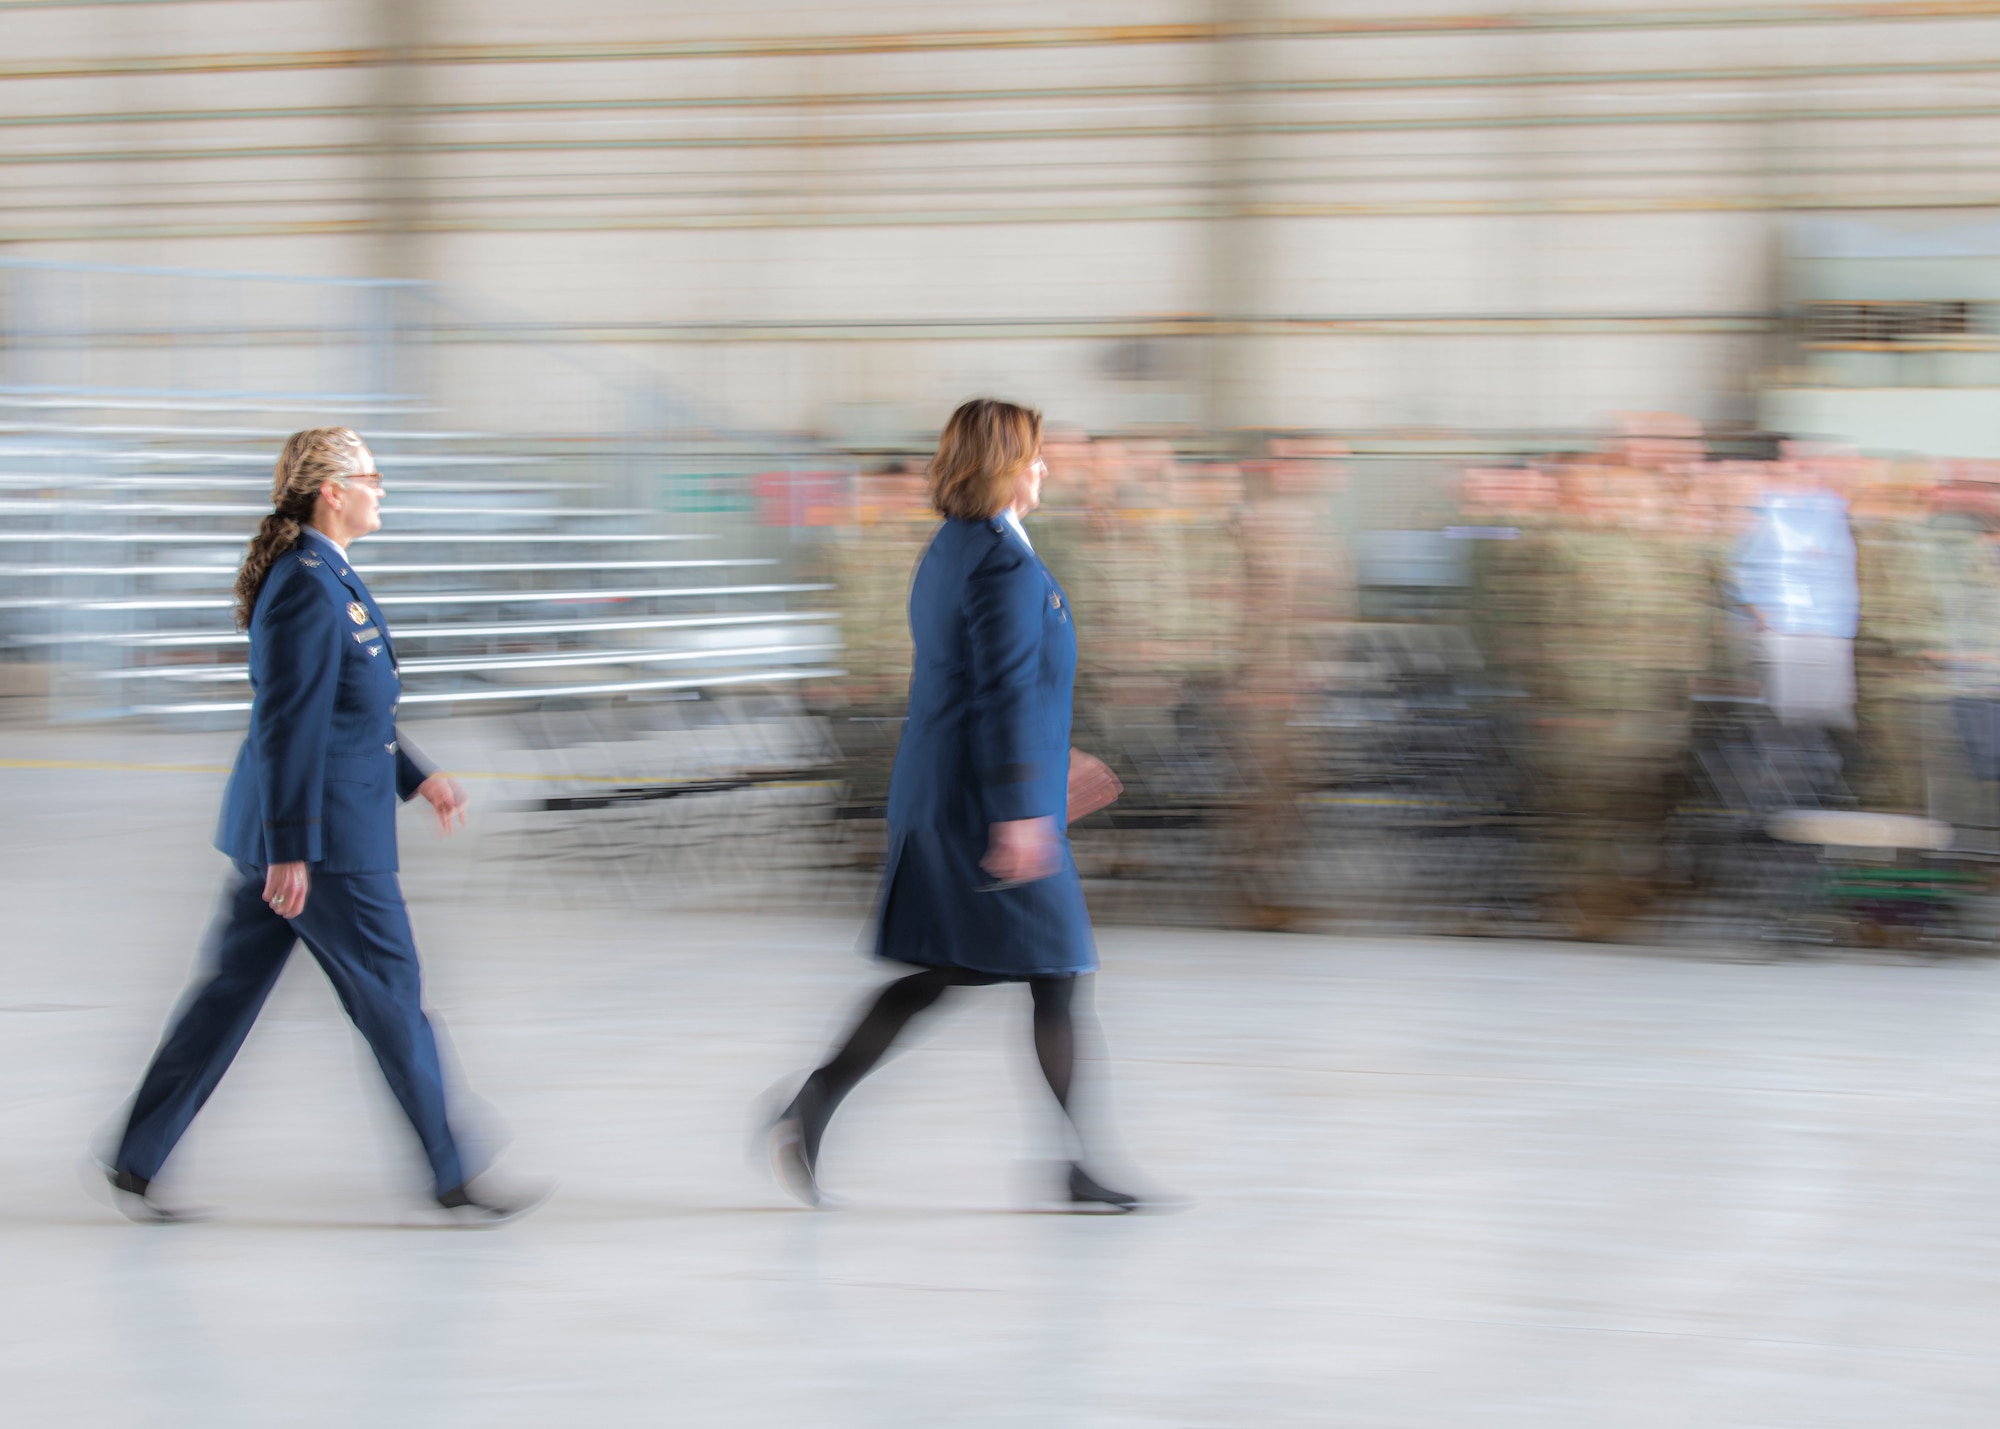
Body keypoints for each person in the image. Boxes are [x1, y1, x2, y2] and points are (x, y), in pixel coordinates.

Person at [103, 427, 538, 1225]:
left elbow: (347, 710)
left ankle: (137, 1155)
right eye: (373, 477)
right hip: (327, 846)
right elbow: (286, 724)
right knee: (393, 997)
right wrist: (292, 847)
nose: (383, 490)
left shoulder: (323, 572)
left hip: (313, 827)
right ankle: (453, 1170)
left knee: (226, 996)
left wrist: (419, 774)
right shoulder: (305, 583)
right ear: (332, 492)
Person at [768, 398, 1139, 1211]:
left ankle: (816, 1099)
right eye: (1034, 455)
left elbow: (973, 685)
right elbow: (1001, 691)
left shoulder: (955, 548)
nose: (1044, 467)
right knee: (1051, 973)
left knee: (956, 969)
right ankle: (1073, 1162)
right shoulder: (1002, 564)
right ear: (1004, 464)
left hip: (957, 791)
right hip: (985, 808)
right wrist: (1019, 812)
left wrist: (1049, 763)